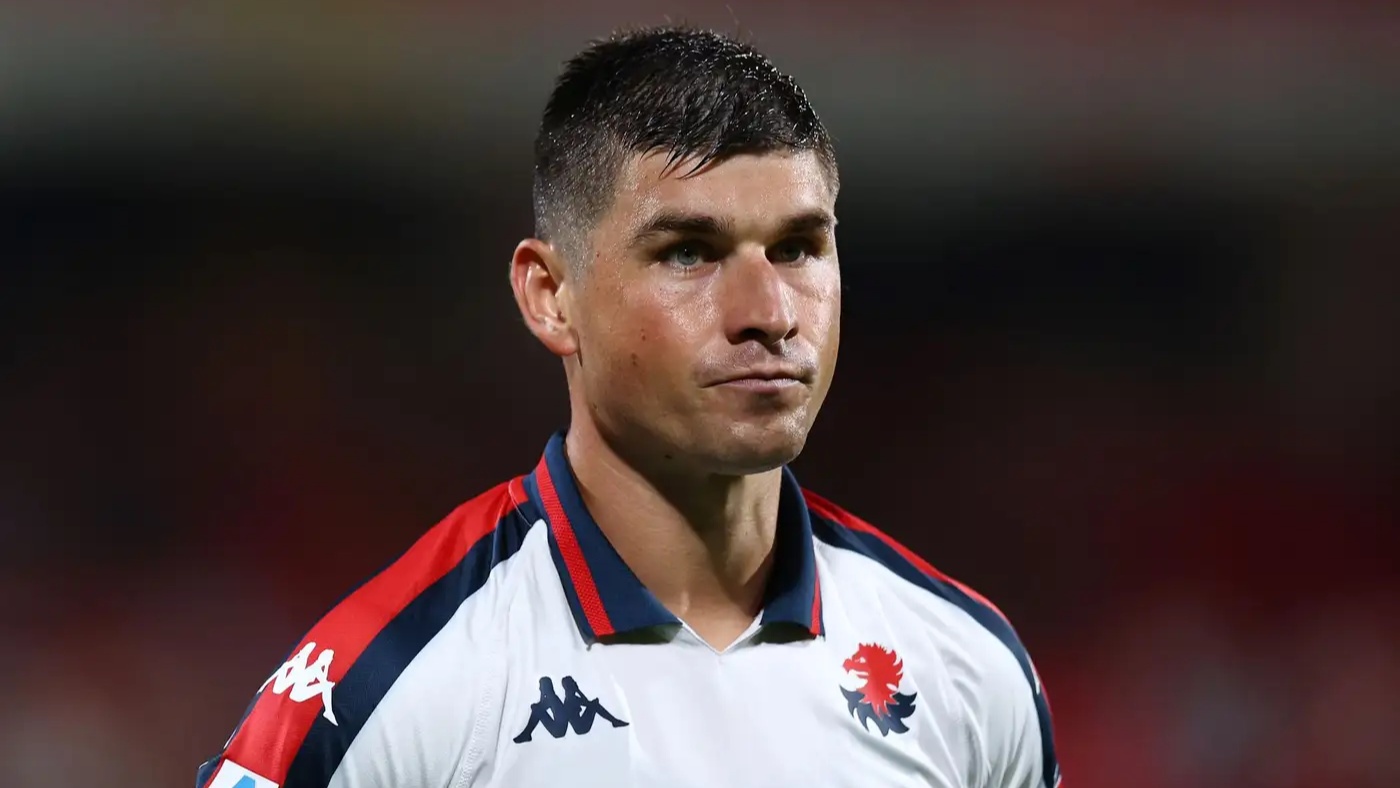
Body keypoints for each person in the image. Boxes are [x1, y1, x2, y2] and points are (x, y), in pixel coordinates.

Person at [195, 25, 1061, 788]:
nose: (769, 313)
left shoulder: (969, 673)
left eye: (798, 248)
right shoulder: (390, 687)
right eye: (689, 253)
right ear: (551, 297)